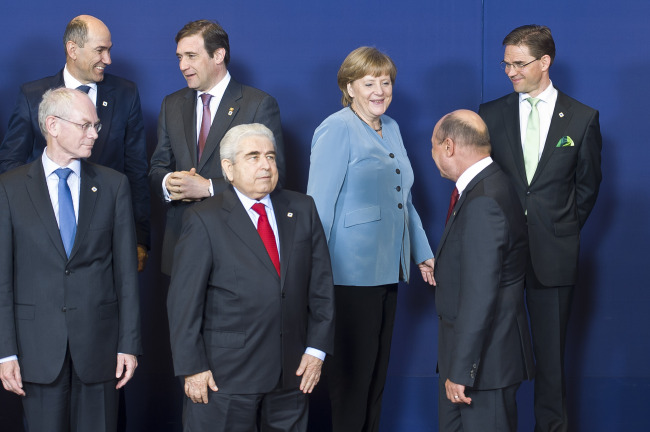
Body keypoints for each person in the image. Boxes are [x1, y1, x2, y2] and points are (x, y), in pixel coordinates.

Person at [166, 123, 334, 432]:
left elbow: (321, 287)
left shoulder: (302, 208)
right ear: (228, 169)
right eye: (253, 156)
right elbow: (183, 303)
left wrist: (316, 350)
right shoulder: (203, 219)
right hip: (224, 378)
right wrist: (192, 368)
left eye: (270, 156)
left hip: (291, 375)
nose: (266, 165)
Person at [478, 25, 602, 432]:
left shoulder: (582, 118)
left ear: (544, 62)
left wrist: (558, 228)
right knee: (497, 354)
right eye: (506, 64)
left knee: (552, 360)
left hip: (555, 255)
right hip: (500, 255)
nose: (510, 71)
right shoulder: (490, 114)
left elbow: (587, 188)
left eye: (519, 63)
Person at [306, 46, 435, 432]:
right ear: (350, 87)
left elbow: (403, 200)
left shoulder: (391, 127)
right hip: (346, 275)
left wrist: (423, 254)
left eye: (386, 81)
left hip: (387, 270)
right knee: (352, 381)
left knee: (376, 377)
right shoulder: (336, 128)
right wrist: (314, 274)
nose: (380, 90)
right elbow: (318, 207)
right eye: (369, 83)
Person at [0, 87, 142, 432]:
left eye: (96, 125)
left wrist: (129, 344)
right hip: (35, 351)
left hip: (101, 349)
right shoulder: (9, 188)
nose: (95, 134)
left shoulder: (114, 185)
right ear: (52, 124)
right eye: (85, 125)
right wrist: (6, 352)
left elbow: (126, 274)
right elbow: (3, 277)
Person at [0, 15, 150, 271]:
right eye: (100, 51)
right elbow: (10, 164)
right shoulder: (32, 95)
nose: (108, 60)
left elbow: (136, 170)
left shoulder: (126, 93)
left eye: (109, 50)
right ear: (72, 49)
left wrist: (139, 238)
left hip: (107, 235)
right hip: (45, 233)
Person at [149, 19, 285, 275]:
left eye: (191, 56)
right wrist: (169, 183)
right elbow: (157, 167)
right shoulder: (171, 104)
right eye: (179, 57)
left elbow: (276, 180)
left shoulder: (258, 104)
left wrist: (208, 188)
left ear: (218, 55)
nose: (182, 66)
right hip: (182, 246)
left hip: (236, 245)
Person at [430, 109, 535, 431]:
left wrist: (462, 370)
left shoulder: (484, 200)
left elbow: (481, 295)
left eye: (432, 146)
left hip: (482, 366)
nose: (432, 154)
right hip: (474, 358)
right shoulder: (489, 186)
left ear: (448, 146)